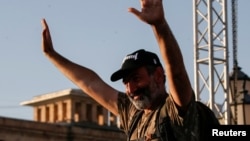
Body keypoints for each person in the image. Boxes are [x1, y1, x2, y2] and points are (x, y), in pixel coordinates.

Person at [41, 0, 218, 141]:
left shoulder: (175, 110)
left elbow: (177, 73)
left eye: (136, 79)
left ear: (157, 75)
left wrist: (159, 25)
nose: (131, 89)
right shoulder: (133, 113)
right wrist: (52, 55)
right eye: (126, 83)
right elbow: (89, 83)